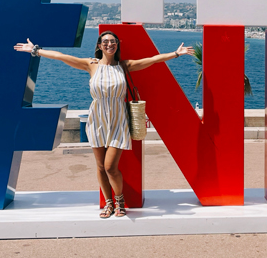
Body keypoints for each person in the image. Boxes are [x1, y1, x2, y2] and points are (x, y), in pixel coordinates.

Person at [14, 32, 193, 218]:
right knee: (100, 167)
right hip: (97, 119)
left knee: (110, 167)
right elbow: (62, 57)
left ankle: (120, 201)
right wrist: (35, 50)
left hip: (118, 120)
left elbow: (152, 60)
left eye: (113, 41)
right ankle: (109, 204)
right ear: (99, 45)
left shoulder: (124, 66)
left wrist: (176, 53)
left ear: (117, 45)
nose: (109, 44)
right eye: (105, 41)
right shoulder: (91, 65)